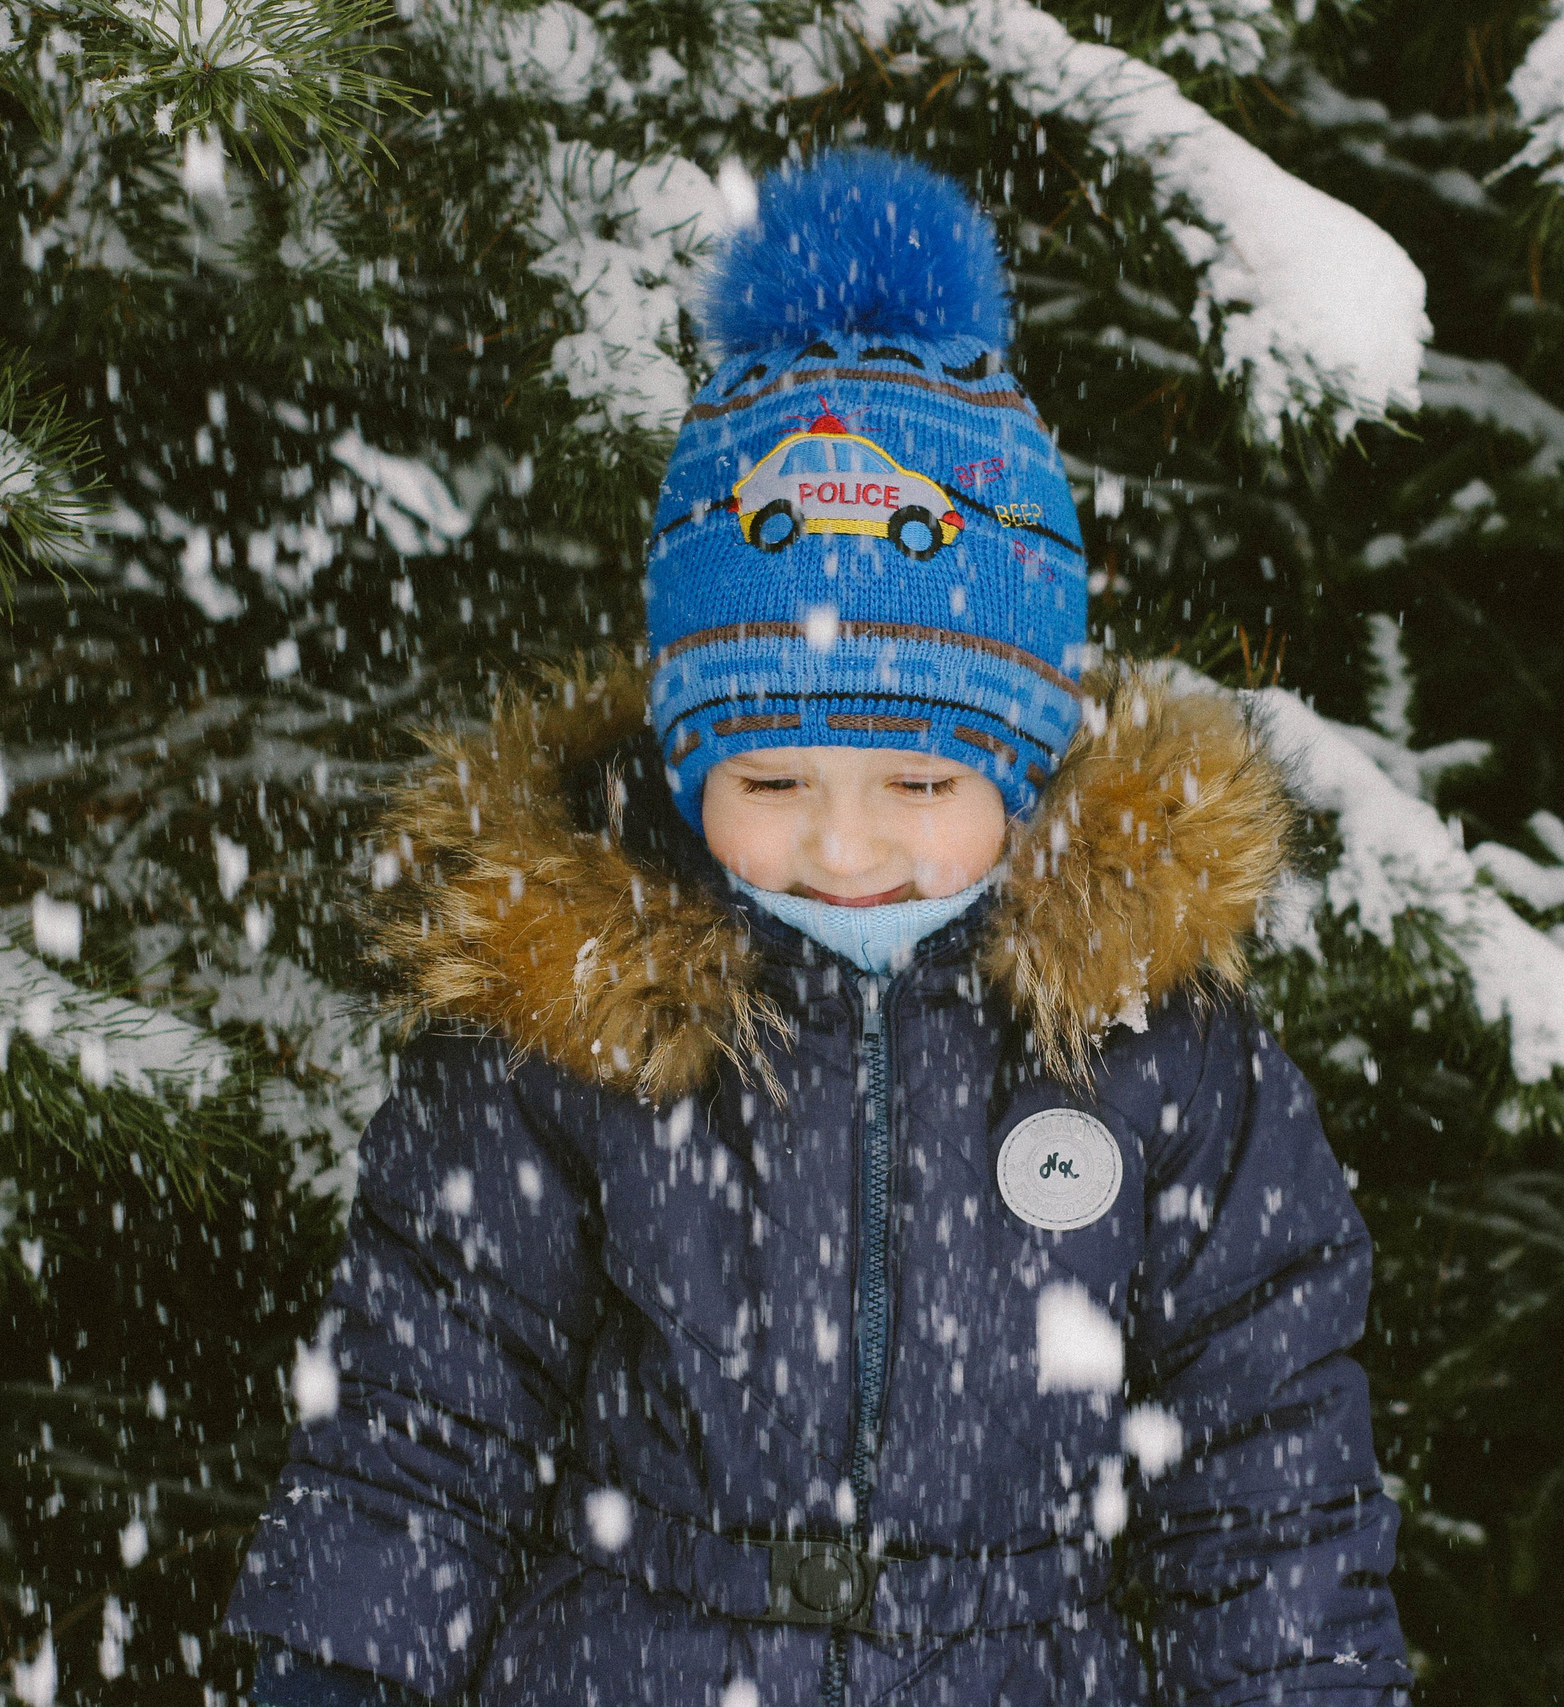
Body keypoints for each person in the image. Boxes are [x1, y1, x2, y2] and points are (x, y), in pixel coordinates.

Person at [223, 149, 1412, 1706]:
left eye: (920, 777)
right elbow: (421, 1428)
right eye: (771, 773)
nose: (843, 841)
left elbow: (1269, 1468)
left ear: (1030, 760)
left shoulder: (1157, 1053)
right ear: (683, 755)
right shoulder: (569, 1030)